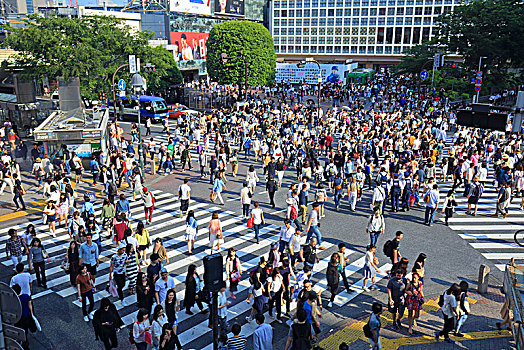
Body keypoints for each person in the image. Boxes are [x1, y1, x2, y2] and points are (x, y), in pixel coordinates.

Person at [109, 242, 128, 306]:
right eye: (122, 250)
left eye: (124, 250)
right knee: (120, 286)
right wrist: (110, 275)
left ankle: (114, 290)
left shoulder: (125, 255)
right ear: (119, 249)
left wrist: (127, 263)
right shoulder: (114, 257)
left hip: (123, 272)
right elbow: (111, 266)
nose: (123, 251)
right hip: (117, 273)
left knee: (123, 284)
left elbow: (126, 261)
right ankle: (122, 299)